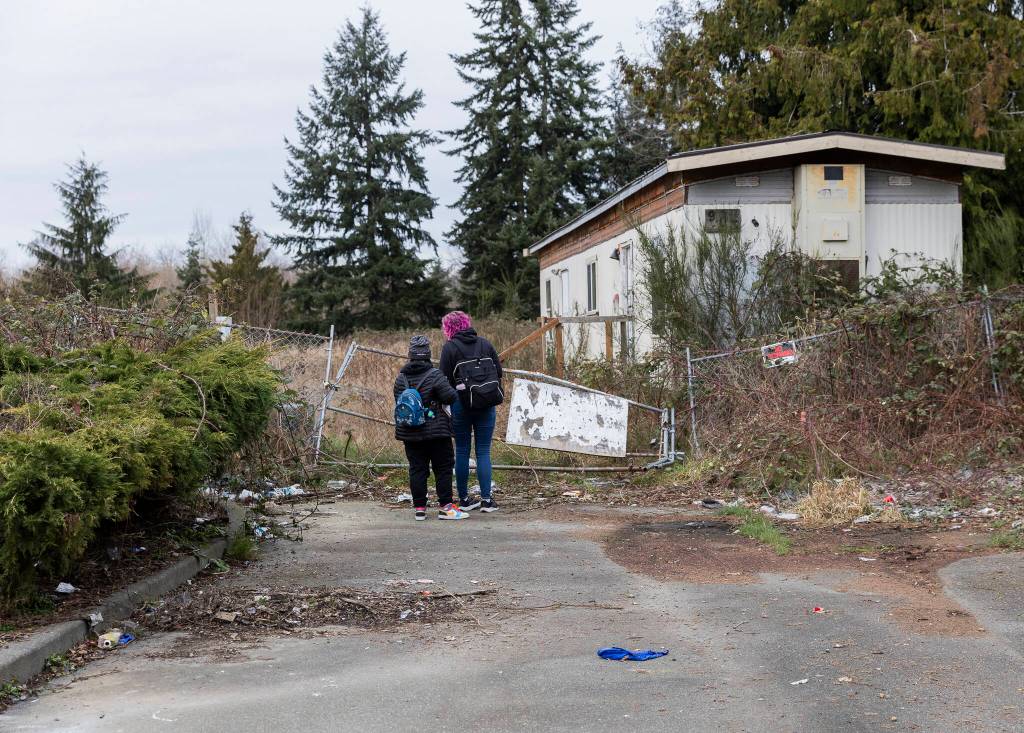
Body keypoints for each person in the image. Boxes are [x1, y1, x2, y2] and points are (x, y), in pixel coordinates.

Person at [393, 335, 468, 521]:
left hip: (410, 432)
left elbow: (399, 400)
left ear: (410, 355)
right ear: (428, 354)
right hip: (436, 432)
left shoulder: (401, 378)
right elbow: (451, 397)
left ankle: (419, 508)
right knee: (442, 468)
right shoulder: (434, 375)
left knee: (417, 469)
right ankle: (445, 507)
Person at [439, 311, 502, 513]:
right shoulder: (485, 343)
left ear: (448, 328)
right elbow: (498, 372)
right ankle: (486, 500)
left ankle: (464, 500)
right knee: (483, 451)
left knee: (462, 452)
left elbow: (443, 379)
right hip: (486, 403)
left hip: (460, 405)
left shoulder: (449, 348)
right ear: (467, 323)